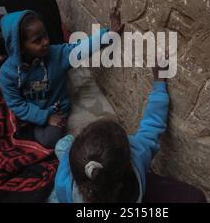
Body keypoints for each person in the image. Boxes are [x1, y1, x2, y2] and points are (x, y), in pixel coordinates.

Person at [0, 9, 124, 148]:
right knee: (26, 127)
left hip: (56, 110)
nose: (46, 42)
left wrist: (109, 35)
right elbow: (16, 104)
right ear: (19, 47)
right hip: (32, 112)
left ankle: (33, 131)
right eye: (37, 40)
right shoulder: (7, 74)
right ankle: (31, 129)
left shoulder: (57, 55)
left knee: (50, 139)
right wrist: (45, 118)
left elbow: (80, 49)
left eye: (45, 35)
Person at [49, 64, 170, 203]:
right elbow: (153, 125)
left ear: (73, 173)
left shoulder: (63, 184)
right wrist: (159, 83)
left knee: (62, 144)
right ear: (129, 162)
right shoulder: (139, 155)